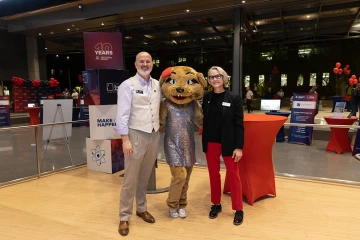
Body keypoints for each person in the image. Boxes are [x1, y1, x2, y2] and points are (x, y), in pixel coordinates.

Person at [115, 52, 161, 237]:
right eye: (141, 61)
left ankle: (141, 208)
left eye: (147, 61)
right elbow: (122, 113)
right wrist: (125, 139)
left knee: (145, 175)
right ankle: (124, 216)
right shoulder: (127, 85)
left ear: (152, 64)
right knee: (130, 178)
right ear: (135, 64)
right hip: (135, 134)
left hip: (153, 134)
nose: (144, 64)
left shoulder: (157, 84)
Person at [202, 66, 245, 226]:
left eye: (218, 76)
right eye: (212, 77)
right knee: (214, 175)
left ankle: (238, 209)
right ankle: (216, 204)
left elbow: (239, 124)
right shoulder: (207, 98)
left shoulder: (234, 98)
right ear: (209, 80)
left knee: (233, 175)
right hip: (211, 142)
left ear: (224, 78)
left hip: (229, 143)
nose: (215, 79)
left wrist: (239, 147)